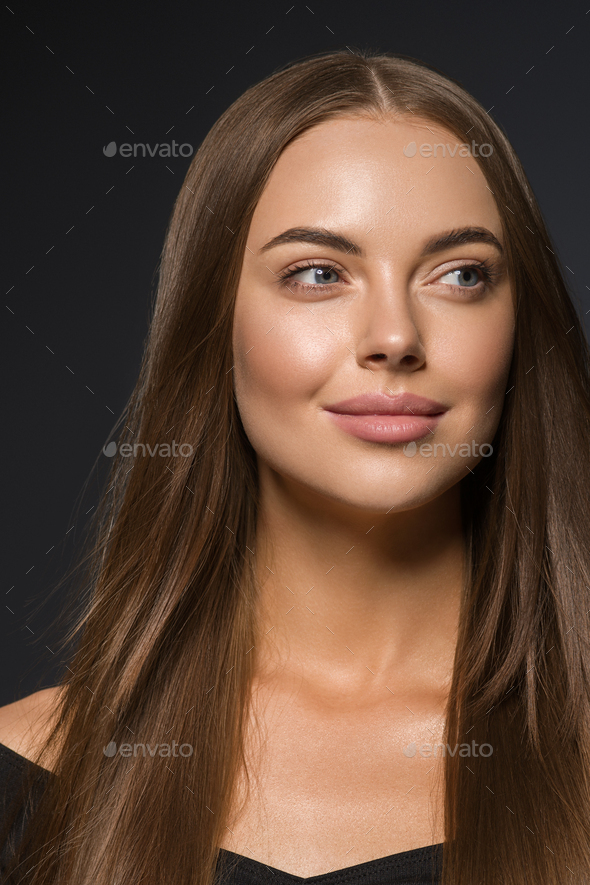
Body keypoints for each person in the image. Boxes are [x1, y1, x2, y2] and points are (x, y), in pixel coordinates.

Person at [1, 47, 590, 885]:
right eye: (318, 273)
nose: (395, 335)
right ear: (216, 324)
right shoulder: (27, 778)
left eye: (460, 275)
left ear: (521, 326)